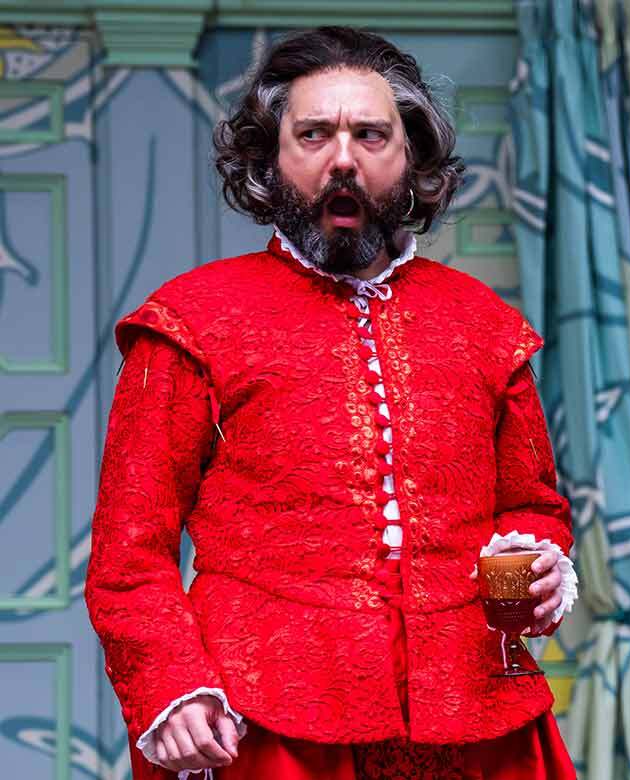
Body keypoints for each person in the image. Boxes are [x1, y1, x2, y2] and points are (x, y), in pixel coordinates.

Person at [85, 27, 578, 780]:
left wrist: (540, 560)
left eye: (370, 135)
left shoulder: (483, 324)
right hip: (264, 724)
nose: (341, 158)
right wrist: (172, 687)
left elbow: (533, 506)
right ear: (270, 158)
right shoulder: (192, 320)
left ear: (409, 155)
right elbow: (130, 557)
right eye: (313, 134)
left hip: (475, 722)